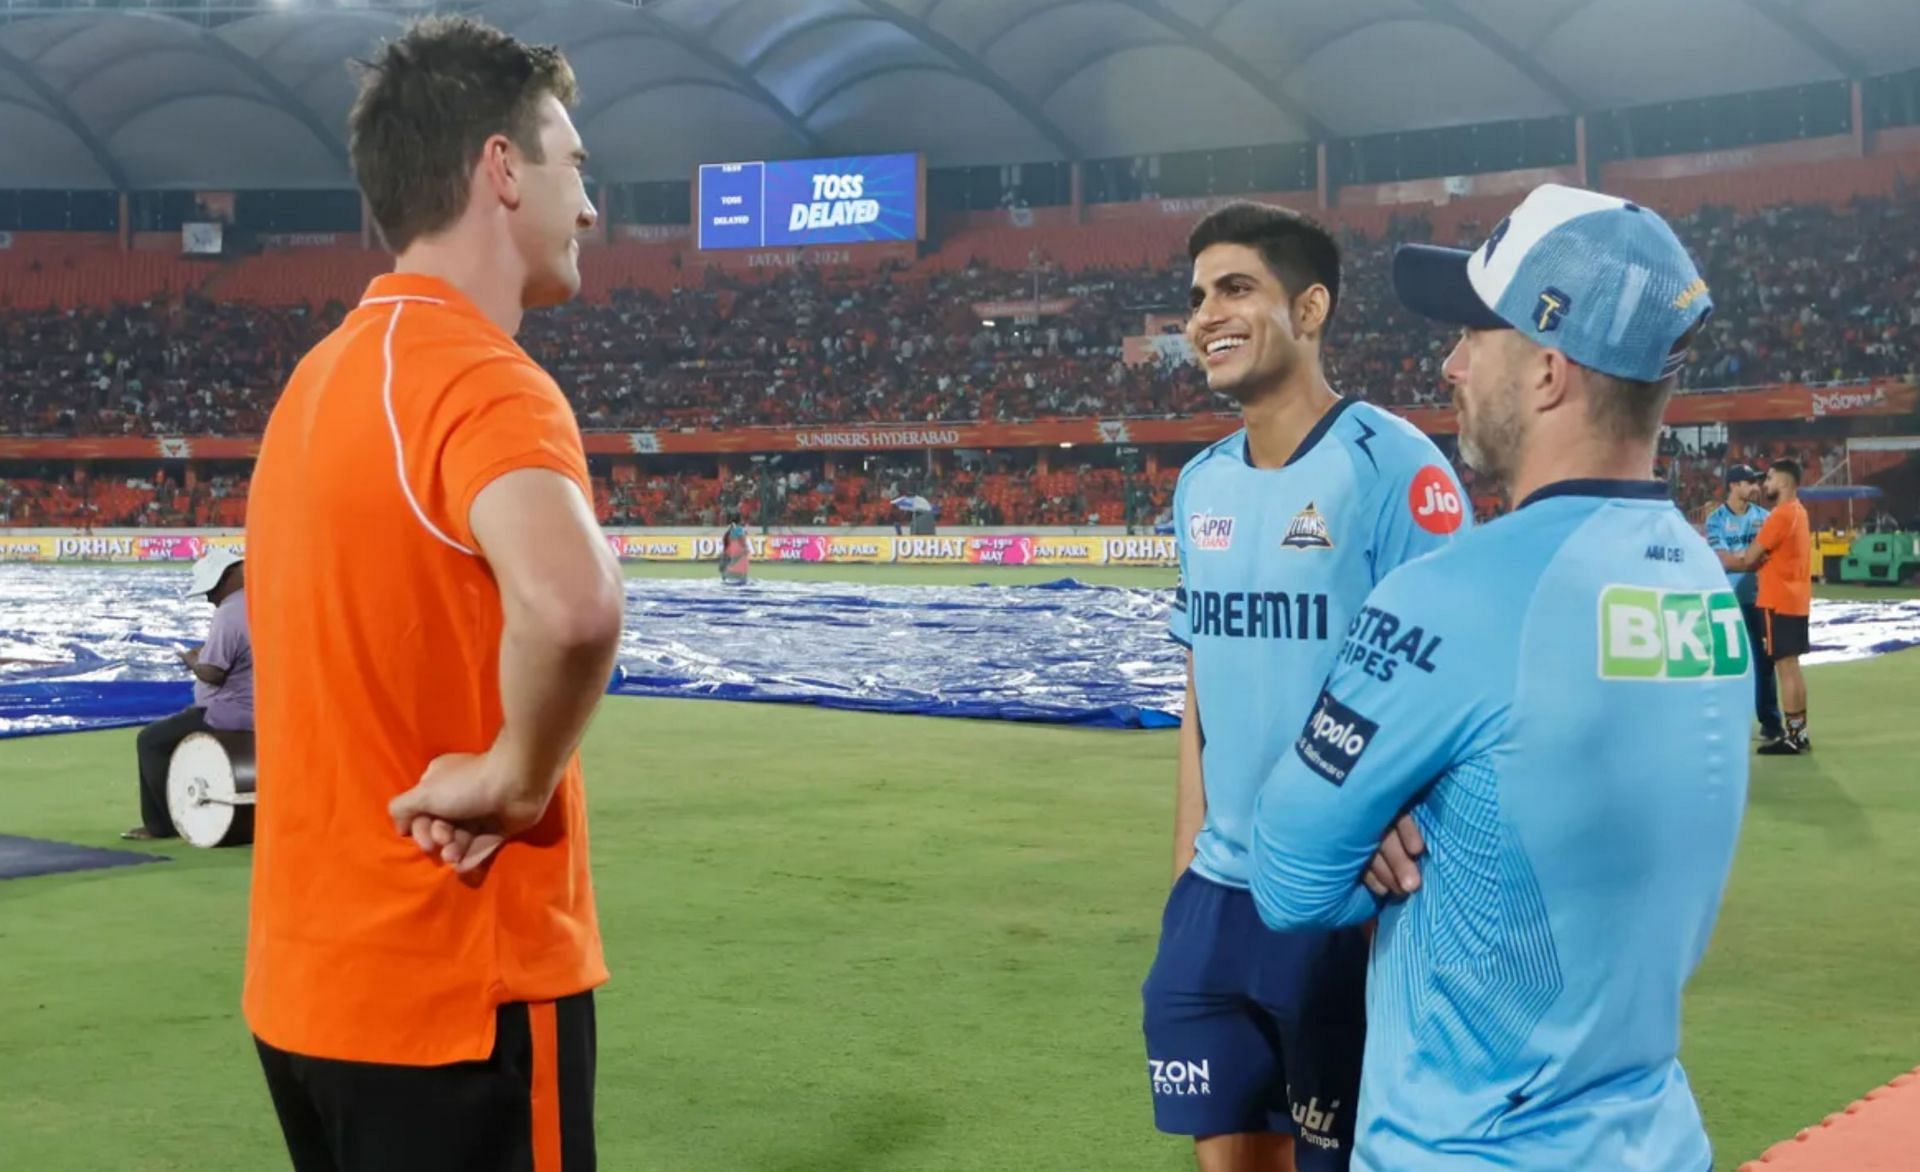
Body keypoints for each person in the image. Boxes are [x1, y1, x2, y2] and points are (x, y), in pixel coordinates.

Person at [1247, 183, 1743, 1172]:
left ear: (1550, 370)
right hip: (1657, 1140)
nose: (1451, 362)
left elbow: (1286, 874)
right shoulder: (1703, 581)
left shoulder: (1456, 594)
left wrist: (1376, 835)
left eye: (1477, 332)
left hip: (1464, 1145)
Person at [242, 17, 622, 1171]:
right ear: (501, 169)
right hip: (460, 990)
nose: (591, 207)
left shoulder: (310, 386)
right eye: (574, 165)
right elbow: (575, 605)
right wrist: (515, 777)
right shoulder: (480, 379)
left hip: (306, 991)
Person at [1143, 201, 1472, 1172]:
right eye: (1198, 295)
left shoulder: (1395, 466)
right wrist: (1182, 885)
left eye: (1236, 287)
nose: (1207, 314)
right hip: (1215, 904)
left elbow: (1453, 686)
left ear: (1312, 307)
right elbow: (1202, 693)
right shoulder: (1198, 483)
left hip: (1343, 906)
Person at [122, 547, 252, 841]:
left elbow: (213, 673)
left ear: (228, 578)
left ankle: (162, 824)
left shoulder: (230, 613)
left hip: (228, 712)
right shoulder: (265, 602)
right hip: (266, 707)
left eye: (211, 590)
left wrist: (192, 660)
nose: (209, 598)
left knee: (151, 740)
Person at [1728, 458, 1813, 754]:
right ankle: (1798, 733)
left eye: (1771, 478)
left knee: (1784, 667)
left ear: (1785, 482)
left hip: (1777, 600)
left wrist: (1723, 558)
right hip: (1797, 598)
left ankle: (1792, 737)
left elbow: (1750, 558)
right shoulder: (1799, 512)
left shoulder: (1779, 515)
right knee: (1792, 666)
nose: (1765, 484)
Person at [1705, 464, 1784, 744]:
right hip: (1728, 601)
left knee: (1764, 662)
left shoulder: (1765, 517)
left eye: (1756, 481)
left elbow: (1767, 558)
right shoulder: (1715, 520)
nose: (1755, 487)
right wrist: (1751, 561)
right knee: (1728, 663)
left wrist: (1742, 561)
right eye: (1750, 482)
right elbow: (1723, 560)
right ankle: (1726, 722)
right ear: (1734, 485)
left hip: (1760, 599)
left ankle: (1771, 723)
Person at [719, 511, 751, 584]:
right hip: (738, 554)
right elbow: (741, 539)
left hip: (730, 553)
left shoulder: (731, 529)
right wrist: (745, 548)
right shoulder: (738, 529)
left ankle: (726, 574)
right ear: (740, 519)